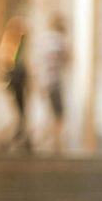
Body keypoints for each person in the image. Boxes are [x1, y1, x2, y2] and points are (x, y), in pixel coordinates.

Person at [35, 12, 70, 154]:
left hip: (43, 81)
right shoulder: (57, 40)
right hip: (54, 82)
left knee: (48, 113)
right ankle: (56, 144)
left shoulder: (43, 40)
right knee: (58, 115)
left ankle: (49, 143)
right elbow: (65, 58)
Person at [0, 15, 30, 152]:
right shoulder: (10, 44)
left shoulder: (20, 45)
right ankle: (17, 136)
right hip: (15, 79)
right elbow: (6, 63)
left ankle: (21, 136)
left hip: (19, 79)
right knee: (18, 111)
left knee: (21, 111)